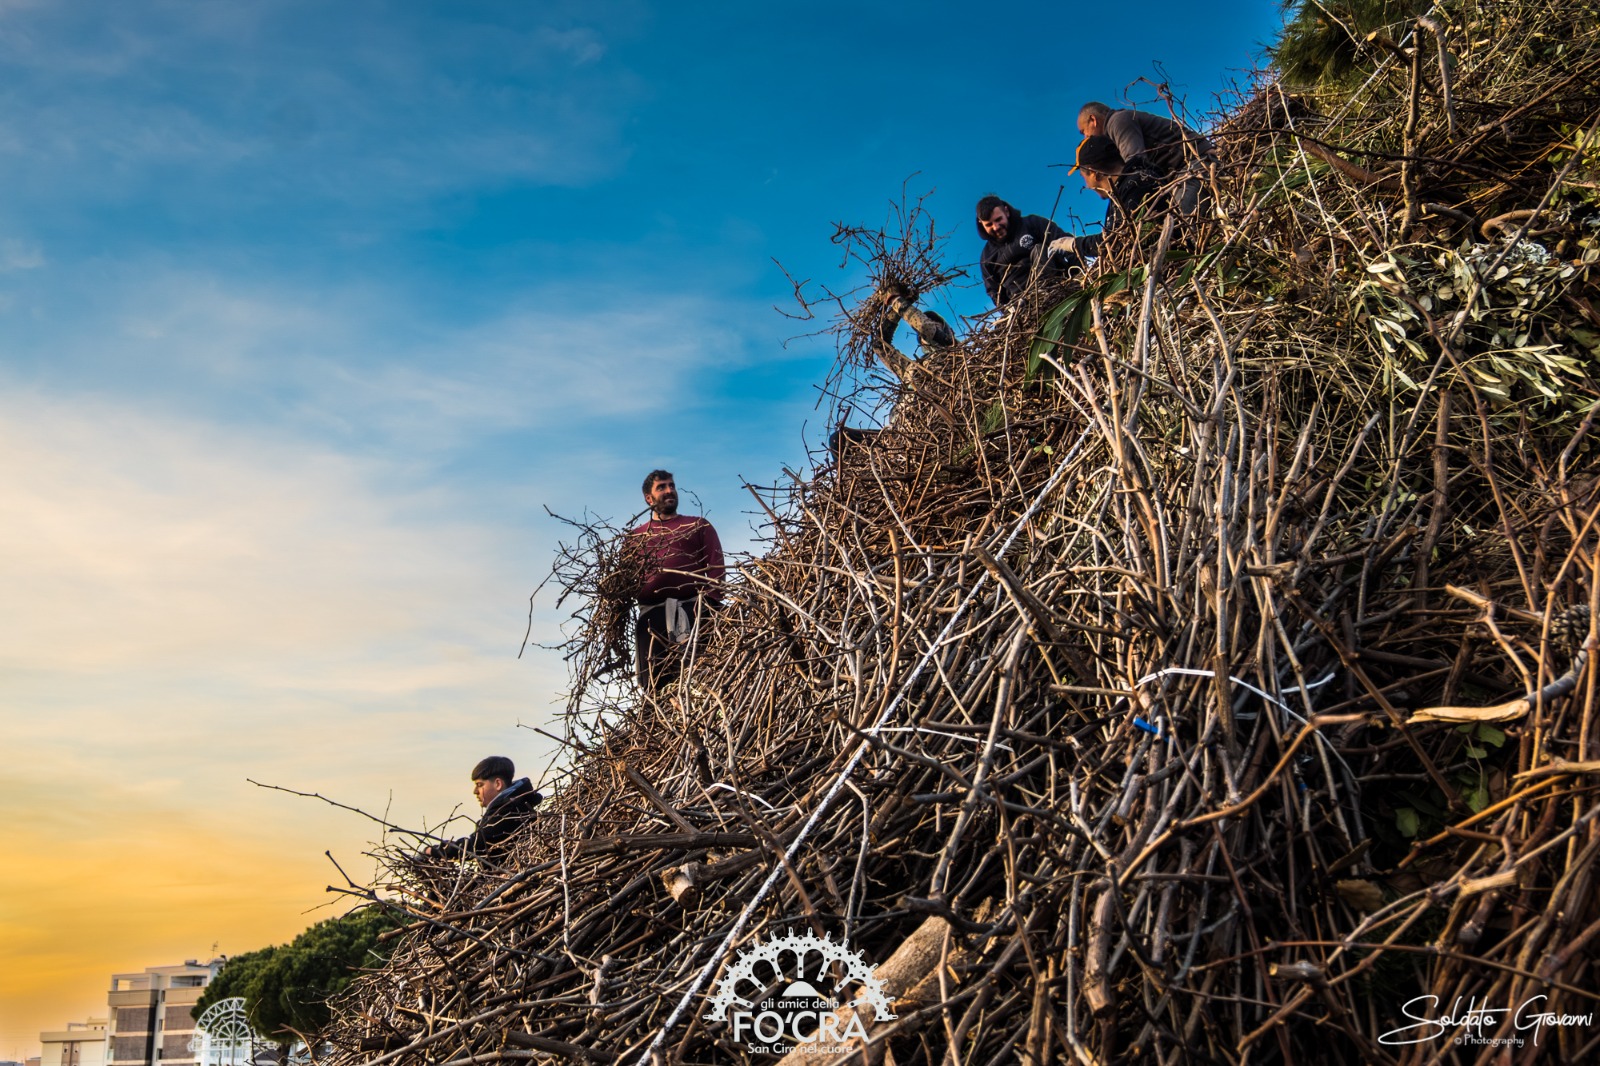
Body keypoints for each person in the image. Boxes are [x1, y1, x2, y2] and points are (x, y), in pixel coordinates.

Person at [630, 470, 725, 694]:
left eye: (671, 485)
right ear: (649, 498)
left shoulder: (698, 525)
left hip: (695, 611)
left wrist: (709, 605)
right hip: (652, 619)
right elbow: (626, 581)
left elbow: (716, 567)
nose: (669, 490)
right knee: (656, 685)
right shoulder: (635, 538)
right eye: (661, 487)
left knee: (702, 676)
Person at [1053, 136, 1163, 260]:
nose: (1086, 186)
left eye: (1083, 177)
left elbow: (1117, 241)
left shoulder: (1139, 184)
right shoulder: (1120, 193)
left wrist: (1073, 244)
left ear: (1094, 174)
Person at [426, 756, 542, 860]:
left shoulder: (508, 812)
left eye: (480, 785)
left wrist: (433, 851)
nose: (475, 791)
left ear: (498, 784)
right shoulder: (516, 805)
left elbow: (474, 847)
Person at [976, 195, 1080, 307]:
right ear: (981, 224)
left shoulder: (1032, 224)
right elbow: (995, 293)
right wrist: (1009, 311)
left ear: (1006, 212)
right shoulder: (986, 258)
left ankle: (1042, 293)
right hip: (1022, 304)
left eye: (998, 219)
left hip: (1056, 286)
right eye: (989, 224)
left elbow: (1066, 243)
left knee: (1039, 249)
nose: (996, 227)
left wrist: (1078, 277)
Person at [1076, 101, 1213, 180]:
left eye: (1083, 131)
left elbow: (1137, 163)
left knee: (1184, 214)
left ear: (1093, 120)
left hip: (1199, 161)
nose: (1085, 137)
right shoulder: (1115, 127)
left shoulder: (1118, 122)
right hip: (1184, 168)